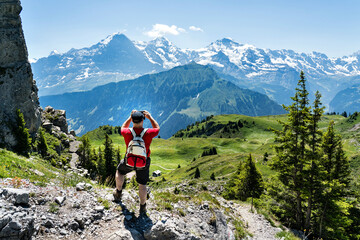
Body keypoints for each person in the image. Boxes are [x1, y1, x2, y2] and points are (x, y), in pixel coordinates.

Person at [113, 110, 160, 215]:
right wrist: (150, 117)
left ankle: (118, 192)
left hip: (128, 160)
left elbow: (123, 127)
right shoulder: (148, 133)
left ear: (133, 120)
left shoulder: (127, 132)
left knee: (120, 171)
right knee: (142, 184)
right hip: (143, 162)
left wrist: (130, 117)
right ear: (142, 120)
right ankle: (142, 207)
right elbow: (157, 128)